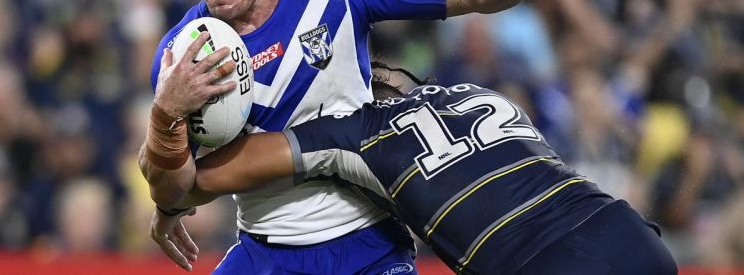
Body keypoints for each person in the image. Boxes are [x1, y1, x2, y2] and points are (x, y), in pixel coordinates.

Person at [139, 0, 576, 274]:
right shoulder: (184, 55)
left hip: (369, 243)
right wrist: (166, 114)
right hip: (265, 251)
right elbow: (176, 189)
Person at [152, 65, 678, 275]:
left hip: (540, 264)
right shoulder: (478, 92)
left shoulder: (357, 132)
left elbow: (212, 176)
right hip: (630, 234)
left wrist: (168, 180)